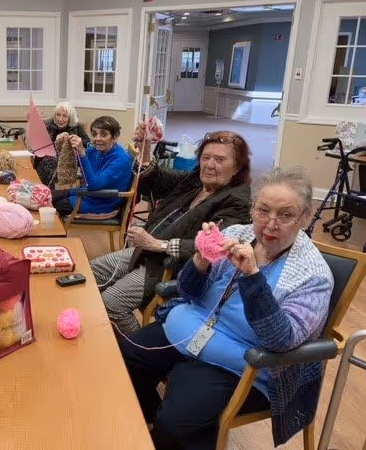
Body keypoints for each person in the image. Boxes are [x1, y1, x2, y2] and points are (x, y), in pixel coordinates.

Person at [119, 166, 333, 450]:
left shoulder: (313, 276)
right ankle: (147, 422)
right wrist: (200, 261)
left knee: (177, 423)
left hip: (245, 362)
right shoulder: (237, 233)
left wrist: (253, 277)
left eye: (286, 215)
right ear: (252, 209)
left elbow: (281, 340)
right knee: (123, 358)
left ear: (305, 218)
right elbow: (188, 291)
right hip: (195, 331)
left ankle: (168, 429)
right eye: (263, 210)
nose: (271, 224)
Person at [92, 130, 252, 334]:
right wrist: (146, 150)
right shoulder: (197, 180)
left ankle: (133, 352)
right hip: (144, 252)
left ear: (237, 167)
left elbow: (213, 246)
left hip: (169, 266)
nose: (210, 164)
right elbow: (159, 181)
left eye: (220, 159)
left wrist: (156, 244)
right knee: (91, 271)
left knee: (111, 304)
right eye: (205, 157)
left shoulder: (237, 200)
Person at [50, 116, 132, 216]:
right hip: (86, 194)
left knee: (50, 205)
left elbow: (93, 185)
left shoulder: (121, 159)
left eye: (103, 134)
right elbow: (72, 163)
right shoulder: (95, 150)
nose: (97, 139)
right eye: (94, 134)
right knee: (48, 195)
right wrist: (63, 144)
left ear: (115, 136)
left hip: (101, 202)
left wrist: (81, 152)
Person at [34, 101, 90, 186]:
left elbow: (87, 143)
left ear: (70, 117)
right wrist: (56, 141)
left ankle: (50, 190)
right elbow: (40, 146)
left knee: (50, 162)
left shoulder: (76, 126)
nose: (60, 119)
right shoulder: (48, 124)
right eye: (58, 115)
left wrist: (72, 139)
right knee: (48, 160)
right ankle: (46, 188)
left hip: (68, 161)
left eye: (64, 116)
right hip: (48, 159)